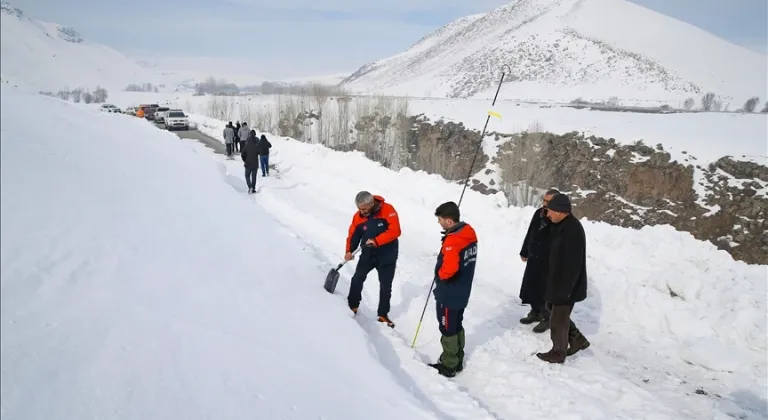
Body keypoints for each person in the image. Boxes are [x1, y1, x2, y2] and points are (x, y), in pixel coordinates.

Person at [536, 193, 591, 364]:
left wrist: (565, 291)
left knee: (558, 319)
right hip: (557, 280)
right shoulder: (560, 224)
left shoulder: (573, 230)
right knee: (552, 309)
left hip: (566, 285)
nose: (548, 214)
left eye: (550, 211)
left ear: (560, 212)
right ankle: (577, 339)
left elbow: (574, 265)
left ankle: (558, 353)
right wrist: (545, 221)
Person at [428, 201, 478, 378]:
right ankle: (457, 359)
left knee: (447, 327)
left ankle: (449, 365)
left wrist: (439, 276)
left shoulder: (454, 240)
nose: (439, 223)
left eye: (440, 219)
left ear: (449, 221)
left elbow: (449, 269)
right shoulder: (468, 233)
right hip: (463, 290)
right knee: (456, 324)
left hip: (449, 292)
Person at [345, 191, 401, 327]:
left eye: (363, 209)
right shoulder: (358, 216)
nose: (361, 212)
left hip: (387, 255)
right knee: (357, 278)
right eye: (359, 209)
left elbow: (396, 231)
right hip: (368, 254)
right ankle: (352, 306)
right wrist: (349, 251)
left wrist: (377, 241)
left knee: (385, 286)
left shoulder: (387, 210)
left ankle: (383, 315)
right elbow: (353, 234)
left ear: (371, 204)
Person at [518, 189, 560, 333]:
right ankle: (535, 312)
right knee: (532, 285)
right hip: (535, 256)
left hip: (548, 259)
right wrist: (525, 250)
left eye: (549, 201)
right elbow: (531, 232)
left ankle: (546, 317)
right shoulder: (539, 213)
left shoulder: (557, 218)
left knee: (545, 289)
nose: (545, 204)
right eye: (544, 200)